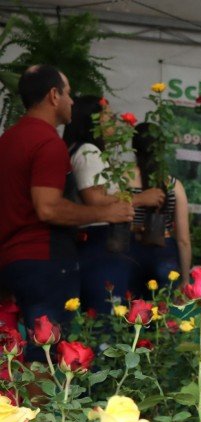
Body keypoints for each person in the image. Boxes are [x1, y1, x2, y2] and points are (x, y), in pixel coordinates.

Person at [0, 65, 133, 357]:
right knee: (47, 357)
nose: (72, 101)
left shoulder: (8, 139)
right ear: (53, 96)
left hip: (11, 260)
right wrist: (104, 213)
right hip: (43, 260)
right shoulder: (48, 142)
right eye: (69, 94)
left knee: (21, 356)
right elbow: (48, 208)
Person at [63, 96, 166, 313]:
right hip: (98, 242)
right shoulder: (89, 152)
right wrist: (139, 199)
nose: (114, 121)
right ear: (94, 120)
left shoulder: (81, 149)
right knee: (105, 312)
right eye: (108, 115)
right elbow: (95, 199)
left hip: (95, 242)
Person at [129, 122, 192, 295]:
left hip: (129, 251)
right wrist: (185, 279)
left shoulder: (122, 179)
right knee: (160, 314)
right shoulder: (173, 185)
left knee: (126, 313)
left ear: (134, 147)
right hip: (165, 253)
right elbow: (184, 239)